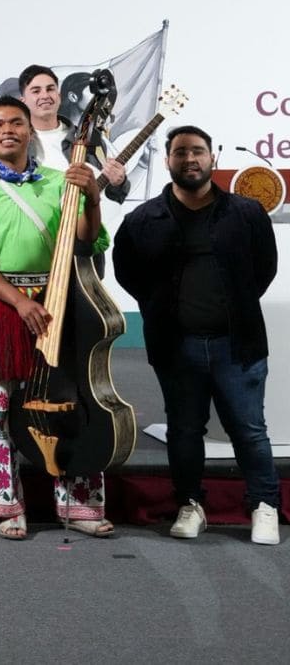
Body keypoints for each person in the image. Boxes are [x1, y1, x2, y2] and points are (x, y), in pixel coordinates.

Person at [0, 96, 113, 541]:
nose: (7, 130)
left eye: (16, 122)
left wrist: (92, 198)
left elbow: (87, 240)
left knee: (68, 400)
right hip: (0, 305)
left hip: (59, 300)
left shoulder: (62, 181)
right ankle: (7, 504)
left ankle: (79, 503)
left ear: (29, 131)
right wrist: (18, 302)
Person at [113, 125, 281, 545]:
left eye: (198, 151)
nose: (190, 159)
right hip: (176, 347)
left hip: (236, 346)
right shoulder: (142, 220)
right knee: (185, 431)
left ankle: (264, 505)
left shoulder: (247, 213)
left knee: (249, 430)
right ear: (168, 159)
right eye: (180, 152)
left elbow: (263, 271)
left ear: (212, 157)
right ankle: (191, 504)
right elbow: (128, 273)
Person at [18, 64, 129, 203]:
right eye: (36, 91)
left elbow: (114, 196)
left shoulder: (92, 139)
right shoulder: (16, 145)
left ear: (58, 96)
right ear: (23, 101)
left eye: (50, 89)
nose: (45, 95)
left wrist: (119, 182)